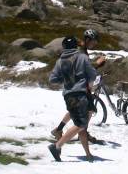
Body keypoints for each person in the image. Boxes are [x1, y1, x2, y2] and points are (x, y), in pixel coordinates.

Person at [50, 29, 106, 143]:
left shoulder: (82, 48)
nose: (94, 44)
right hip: (80, 87)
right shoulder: (81, 51)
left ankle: (60, 129)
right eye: (94, 42)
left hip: (76, 86)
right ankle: (81, 133)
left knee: (76, 110)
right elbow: (84, 67)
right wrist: (98, 63)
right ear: (88, 39)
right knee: (87, 110)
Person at [48, 35, 98, 163]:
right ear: (76, 45)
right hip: (81, 94)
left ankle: (87, 154)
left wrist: (66, 79)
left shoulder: (60, 61)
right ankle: (57, 146)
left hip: (68, 96)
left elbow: (52, 80)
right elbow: (92, 74)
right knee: (81, 124)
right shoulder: (82, 57)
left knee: (81, 124)